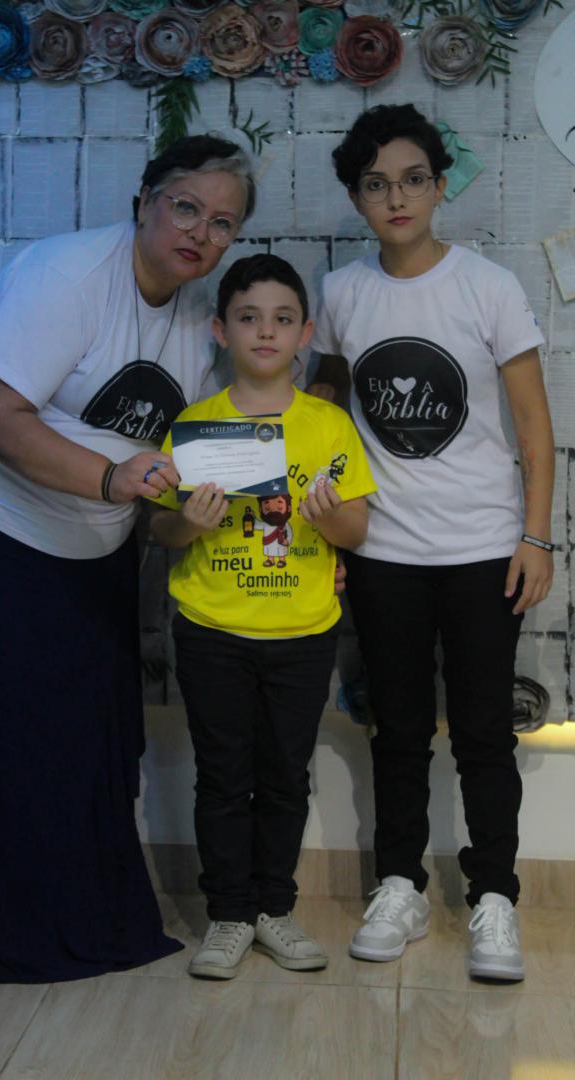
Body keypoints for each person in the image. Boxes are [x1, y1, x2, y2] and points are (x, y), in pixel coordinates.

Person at [0, 135, 256, 983]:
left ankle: (71, 910)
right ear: (144, 201)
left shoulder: (199, 318)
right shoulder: (72, 275)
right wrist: (114, 479)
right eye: (185, 207)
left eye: (223, 222)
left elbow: (192, 450)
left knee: (78, 731)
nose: (200, 232)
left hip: (81, 539)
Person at [310, 104, 555, 981]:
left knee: (486, 731)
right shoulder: (341, 295)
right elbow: (326, 414)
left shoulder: (488, 286)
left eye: (413, 179)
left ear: (440, 186)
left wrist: (537, 536)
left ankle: (494, 896)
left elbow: (534, 426)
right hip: (384, 552)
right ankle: (400, 886)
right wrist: (328, 531)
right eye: (377, 184)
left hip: (486, 549)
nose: (397, 198)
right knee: (399, 730)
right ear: (357, 197)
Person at [149, 254, 376, 979]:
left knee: (284, 778)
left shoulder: (329, 426)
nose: (266, 332)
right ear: (221, 330)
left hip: (304, 635)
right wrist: (187, 521)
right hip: (211, 631)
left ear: (305, 332)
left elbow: (356, 532)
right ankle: (228, 915)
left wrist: (330, 517)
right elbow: (162, 531)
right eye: (249, 318)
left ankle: (274, 908)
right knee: (222, 778)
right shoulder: (195, 426)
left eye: (282, 319)